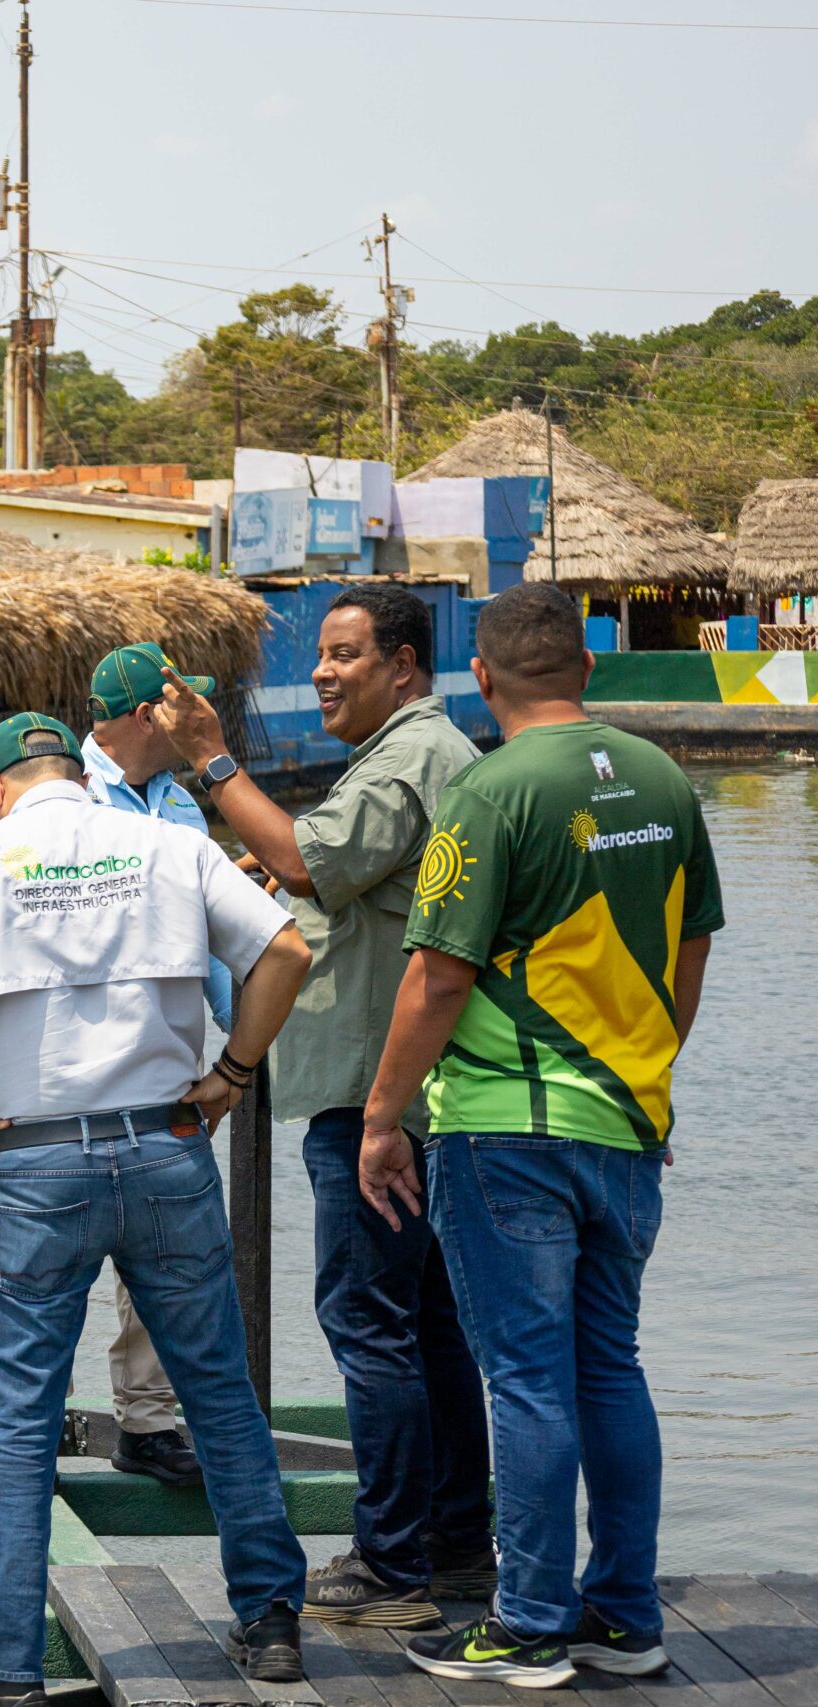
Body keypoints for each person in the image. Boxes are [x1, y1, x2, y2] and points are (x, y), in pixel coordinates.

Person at [0, 712, 316, 1704]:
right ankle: (273, 1621)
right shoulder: (168, 845)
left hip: (33, 1164)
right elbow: (285, 952)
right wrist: (234, 1070)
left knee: (23, 1418)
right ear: (77, 772)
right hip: (164, 1147)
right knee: (219, 1394)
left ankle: (6, 1669)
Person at [355, 583, 720, 1688]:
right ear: (587, 667)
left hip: (505, 1128)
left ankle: (525, 1624)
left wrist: (382, 1116)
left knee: (522, 1378)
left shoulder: (488, 788)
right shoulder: (663, 779)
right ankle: (624, 1616)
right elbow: (690, 948)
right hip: (628, 1124)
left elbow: (437, 977)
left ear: (480, 677)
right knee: (610, 1364)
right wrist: (643, 1075)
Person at [151, 583, 495, 1625]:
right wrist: (284, 874)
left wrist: (213, 761)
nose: (323, 672)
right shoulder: (424, 754)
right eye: (321, 654)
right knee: (430, 1325)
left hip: (371, 1095)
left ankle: (392, 1566)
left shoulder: (406, 758)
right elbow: (332, 877)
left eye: (346, 653)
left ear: (403, 665)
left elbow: (309, 857)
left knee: (368, 1321)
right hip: (420, 1090)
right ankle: (454, 1545)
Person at [78, 641, 237, 1491]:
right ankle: (28, 1430)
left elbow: (207, 938)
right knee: (56, 1261)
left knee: (166, 1260)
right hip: (76, 1064)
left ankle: (145, 1422)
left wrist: (245, 1034)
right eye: (183, 704)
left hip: (165, 1066)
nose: (198, 716)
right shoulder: (65, 792)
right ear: (149, 716)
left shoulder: (179, 801)